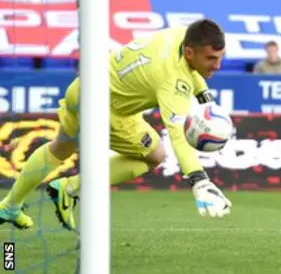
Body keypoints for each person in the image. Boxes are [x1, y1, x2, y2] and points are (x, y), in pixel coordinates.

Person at [0, 19, 233, 230]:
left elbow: (187, 68)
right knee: (155, 155)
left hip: (81, 89)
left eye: (220, 57)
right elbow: (178, 136)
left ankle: (9, 206)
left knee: (60, 148)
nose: (217, 65)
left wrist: (203, 94)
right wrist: (199, 180)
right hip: (105, 110)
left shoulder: (181, 34)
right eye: (211, 59)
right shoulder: (173, 83)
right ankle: (70, 188)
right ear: (190, 52)